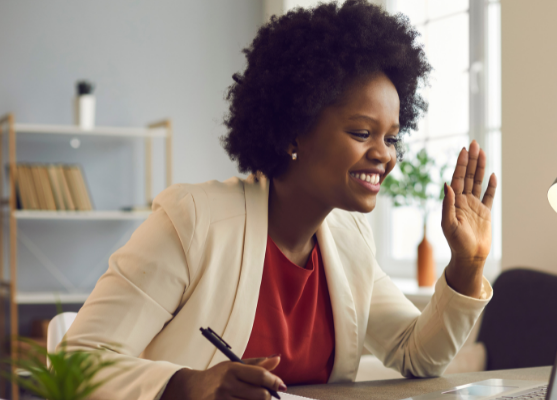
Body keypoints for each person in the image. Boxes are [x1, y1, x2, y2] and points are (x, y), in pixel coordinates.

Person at [65, 1, 498, 399]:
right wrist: (190, 384)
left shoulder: (349, 240)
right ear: (295, 129)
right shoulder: (194, 221)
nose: (384, 154)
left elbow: (415, 354)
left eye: (391, 138)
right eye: (362, 133)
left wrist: (468, 264)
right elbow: (75, 362)